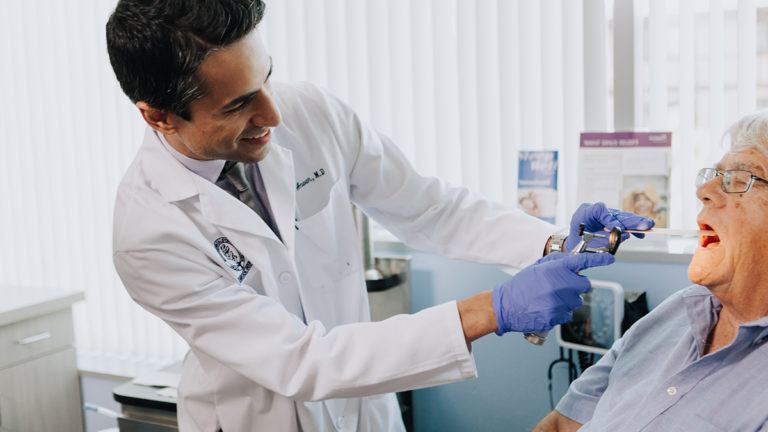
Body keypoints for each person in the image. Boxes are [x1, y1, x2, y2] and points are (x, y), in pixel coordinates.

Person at [105, 1, 652, 430]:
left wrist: (553, 245)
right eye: (237, 105)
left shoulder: (310, 113)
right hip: (256, 415)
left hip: (364, 410)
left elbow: (429, 208)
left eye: (267, 77)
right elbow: (302, 360)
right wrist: (493, 309)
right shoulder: (149, 231)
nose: (272, 113)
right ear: (158, 115)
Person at [534, 111, 768, 432]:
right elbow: (561, 425)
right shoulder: (677, 311)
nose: (705, 190)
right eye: (716, 174)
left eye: (739, 179)